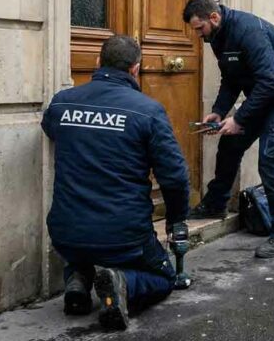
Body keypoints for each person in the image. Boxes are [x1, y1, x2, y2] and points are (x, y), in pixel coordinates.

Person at [41, 35, 190, 331]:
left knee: (82, 245)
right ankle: (123, 283)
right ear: (136, 69)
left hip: (65, 232)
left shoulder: (61, 103)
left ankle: (77, 283)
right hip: (124, 236)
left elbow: (50, 128)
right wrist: (176, 222)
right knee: (164, 278)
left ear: (98, 62)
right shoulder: (147, 111)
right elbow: (175, 177)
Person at [183, 0, 274, 259]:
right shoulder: (217, 38)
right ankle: (216, 204)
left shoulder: (248, 30)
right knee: (230, 144)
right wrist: (219, 112)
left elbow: (269, 81)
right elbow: (231, 80)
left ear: (214, 18)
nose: (198, 35)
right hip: (264, 94)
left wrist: (240, 119)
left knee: (270, 159)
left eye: (199, 28)